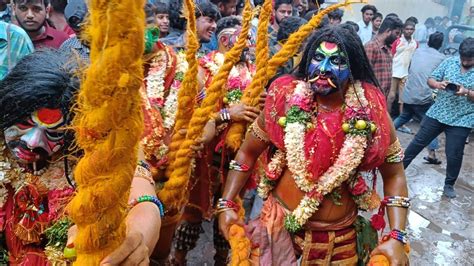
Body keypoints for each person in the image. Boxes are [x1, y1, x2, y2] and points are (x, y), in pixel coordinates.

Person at [218, 24, 410, 265]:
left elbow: (394, 176)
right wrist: (226, 203)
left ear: (352, 68)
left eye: (336, 61)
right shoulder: (284, 98)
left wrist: (397, 236)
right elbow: (247, 152)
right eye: (318, 58)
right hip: (276, 227)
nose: (323, 69)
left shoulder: (370, 110)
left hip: (338, 241)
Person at [0, 49, 162, 265]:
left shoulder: (100, 146)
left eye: (55, 133)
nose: (32, 142)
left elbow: (142, 198)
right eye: (24, 124)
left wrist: (136, 236)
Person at [172, 15, 258, 266]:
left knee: (229, 213)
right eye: (242, 38)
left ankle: (222, 259)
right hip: (203, 157)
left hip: (238, 158)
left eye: (249, 38)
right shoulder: (202, 68)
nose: (249, 43)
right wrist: (227, 114)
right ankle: (177, 260)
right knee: (190, 215)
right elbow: (191, 115)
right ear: (224, 39)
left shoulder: (255, 71)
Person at [403, 37, 474, 199]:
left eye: (469, 60)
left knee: (454, 153)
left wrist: (467, 92)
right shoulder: (450, 62)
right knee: (417, 143)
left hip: (462, 119)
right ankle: (399, 171)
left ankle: (449, 184)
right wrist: (438, 84)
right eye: (463, 58)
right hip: (438, 112)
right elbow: (431, 79)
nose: (465, 62)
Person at [393, 32, 445, 165]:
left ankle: (381, 135)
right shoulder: (442, 58)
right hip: (422, 98)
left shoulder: (418, 51)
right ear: (441, 44)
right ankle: (432, 154)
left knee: (403, 117)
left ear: (428, 41)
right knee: (430, 125)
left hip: (408, 94)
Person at [365, 16, 403, 97]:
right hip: (372, 98)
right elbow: (364, 77)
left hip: (382, 97)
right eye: (396, 33)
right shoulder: (371, 47)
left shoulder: (388, 48)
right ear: (388, 31)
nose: (398, 37)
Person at [389, 20, 418, 117]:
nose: (409, 31)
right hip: (394, 72)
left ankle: (401, 121)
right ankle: (387, 116)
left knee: (402, 99)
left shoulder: (415, 43)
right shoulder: (397, 42)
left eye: (411, 29)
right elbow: (391, 55)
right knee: (391, 96)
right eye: (407, 29)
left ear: (414, 30)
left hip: (406, 73)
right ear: (403, 30)